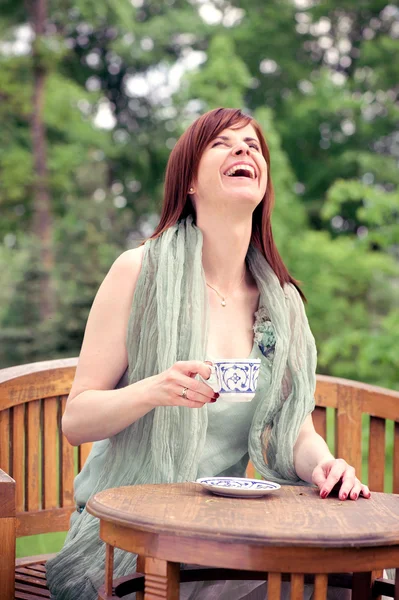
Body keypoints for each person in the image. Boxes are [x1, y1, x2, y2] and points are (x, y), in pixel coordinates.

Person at [46, 107, 372, 600]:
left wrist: (324, 466)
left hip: (224, 534)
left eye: (252, 146)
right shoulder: (139, 273)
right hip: (129, 539)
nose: (243, 149)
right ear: (189, 183)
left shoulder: (280, 302)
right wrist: (154, 389)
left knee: (345, 584)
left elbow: (294, 427)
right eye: (222, 143)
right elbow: (77, 421)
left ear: (262, 184)